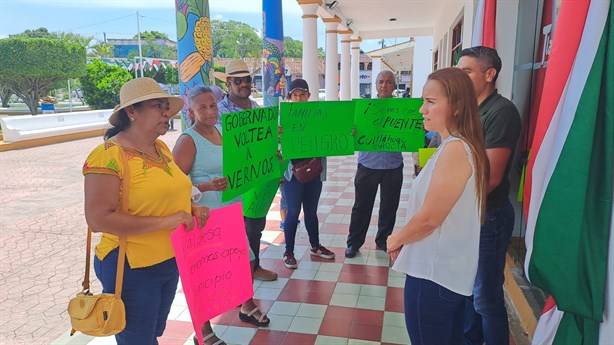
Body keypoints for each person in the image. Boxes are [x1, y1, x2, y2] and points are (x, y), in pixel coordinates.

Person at [83, 77, 210, 345]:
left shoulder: (161, 148)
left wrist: (191, 207)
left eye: (167, 106)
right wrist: (168, 221)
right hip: (131, 265)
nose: (166, 113)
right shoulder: (108, 155)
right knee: (137, 339)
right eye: (158, 106)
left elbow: (168, 193)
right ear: (132, 112)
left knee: (152, 332)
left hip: (169, 258)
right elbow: (97, 219)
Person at [386, 67, 489, 345]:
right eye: (423, 101)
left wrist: (395, 239)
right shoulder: (456, 146)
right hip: (446, 273)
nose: (422, 109)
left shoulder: (456, 149)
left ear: (456, 107)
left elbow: (430, 219)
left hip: (433, 276)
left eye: (431, 102)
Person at [172, 85, 271, 345]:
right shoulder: (187, 140)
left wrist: (272, 144)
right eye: (201, 107)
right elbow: (173, 185)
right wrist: (204, 186)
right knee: (205, 274)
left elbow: (248, 157)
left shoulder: (226, 132)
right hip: (205, 217)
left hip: (230, 212)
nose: (208, 112)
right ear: (191, 111)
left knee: (244, 260)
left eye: (212, 106)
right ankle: (203, 330)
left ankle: (246, 305)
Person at [457, 46, 522, 345]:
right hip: (465, 214)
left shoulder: (501, 112)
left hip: (488, 216)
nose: (460, 77)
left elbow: (492, 178)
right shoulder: (467, 111)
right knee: (467, 290)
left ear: (489, 74)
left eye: (466, 71)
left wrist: (445, 189)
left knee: (485, 297)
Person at [214, 59, 278, 282]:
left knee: (255, 227)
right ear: (228, 84)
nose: (244, 84)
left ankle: (253, 267)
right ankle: (232, 274)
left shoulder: (257, 109)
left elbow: (265, 142)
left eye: (247, 80)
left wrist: (274, 153)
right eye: (238, 81)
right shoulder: (219, 113)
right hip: (231, 181)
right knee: (231, 230)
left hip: (255, 180)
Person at [345, 70, 404, 258]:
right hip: (367, 165)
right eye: (381, 82)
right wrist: (352, 131)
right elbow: (349, 129)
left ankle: (383, 240)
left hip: (393, 166)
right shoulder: (363, 109)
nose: (384, 85)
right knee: (361, 206)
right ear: (375, 85)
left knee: (389, 206)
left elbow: (412, 133)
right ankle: (354, 243)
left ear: (394, 86)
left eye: (388, 82)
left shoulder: (403, 110)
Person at [279, 79, 335, 269]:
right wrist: (276, 135)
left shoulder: (319, 116)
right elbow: (274, 146)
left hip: (314, 171)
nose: (299, 98)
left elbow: (332, 133)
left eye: (302, 94)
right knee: (293, 212)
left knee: (311, 212)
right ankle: (289, 251)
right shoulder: (282, 119)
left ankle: (315, 245)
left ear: (309, 96)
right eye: (295, 95)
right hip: (292, 175)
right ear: (289, 98)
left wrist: (346, 132)